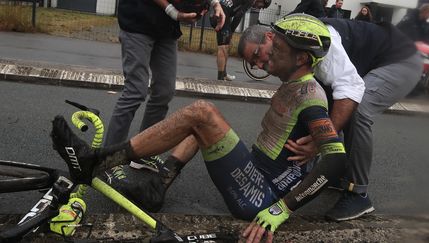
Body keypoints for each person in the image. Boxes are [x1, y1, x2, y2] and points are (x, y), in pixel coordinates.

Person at [51, 14, 348, 243]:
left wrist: (281, 209)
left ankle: (99, 160)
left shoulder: (310, 96)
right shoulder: (295, 84)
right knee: (202, 123)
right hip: (256, 175)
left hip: (261, 196)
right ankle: (156, 187)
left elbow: (335, 160)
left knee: (202, 113)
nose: (269, 56)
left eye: (278, 49)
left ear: (301, 59)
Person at [283, 17, 423, 221]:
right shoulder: (298, 42)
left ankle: (359, 194)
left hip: (402, 61)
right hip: (379, 59)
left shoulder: (322, 42)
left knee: (357, 108)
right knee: (335, 107)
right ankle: (337, 173)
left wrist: (319, 142)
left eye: (260, 58)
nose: (261, 65)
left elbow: (349, 95)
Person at [103, 0, 226, 168]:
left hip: (166, 29)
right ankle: (108, 160)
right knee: (135, 91)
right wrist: (172, 11)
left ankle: (143, 154)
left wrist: (215, 4)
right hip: (137, 21)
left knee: (164, 91)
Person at [213, 0, 272, 81]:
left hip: (224, 13)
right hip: (222, 15)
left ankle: (224, 74)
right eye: (261, 6)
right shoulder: (251, 1)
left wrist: (230, 31)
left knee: (226, 47)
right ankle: (220, 78)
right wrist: (232, 31)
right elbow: (238, 15)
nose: (259, 8)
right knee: (223, 48)